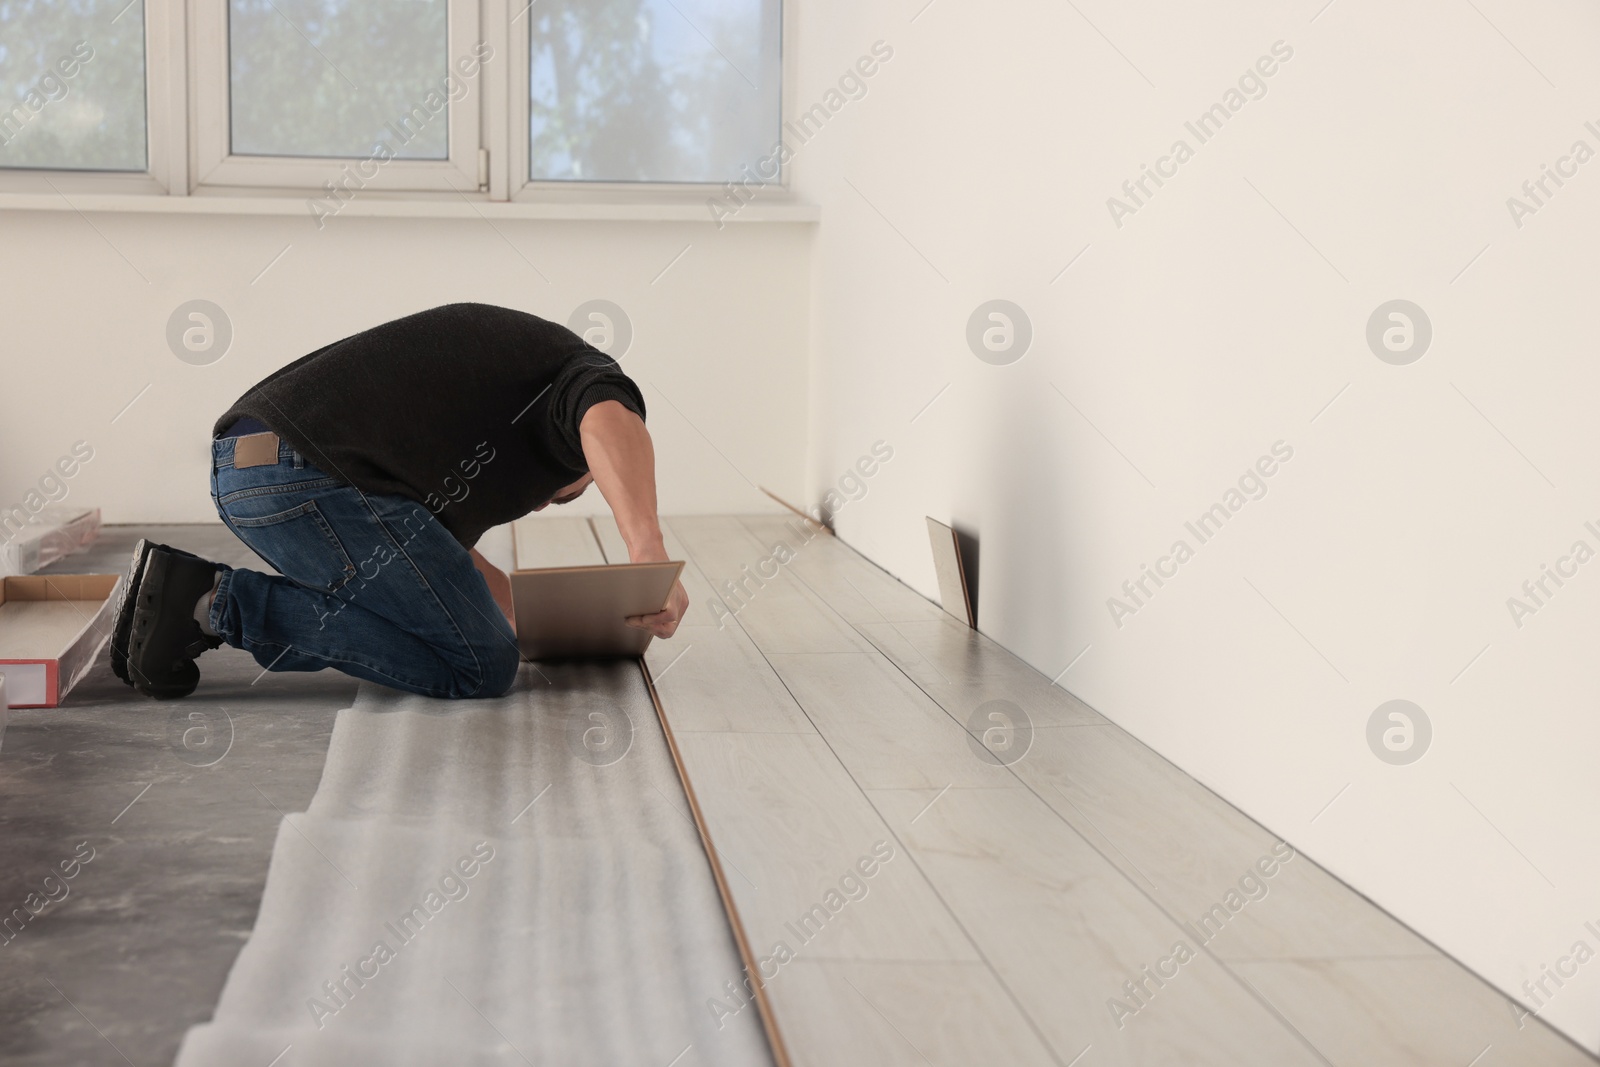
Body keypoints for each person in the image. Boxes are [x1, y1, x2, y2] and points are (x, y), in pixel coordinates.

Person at [108, 302, 689, 700]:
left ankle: (195, 602)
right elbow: (611, 421)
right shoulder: (578, 376)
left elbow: (440, 572)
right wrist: (648, 555)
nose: (540, 506)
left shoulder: (478, 415)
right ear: (582, 456)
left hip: (249, 473)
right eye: (565, 495)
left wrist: (529, 618)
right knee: (480, 666)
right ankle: (209, 603)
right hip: (307, 476)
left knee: (457, 632)